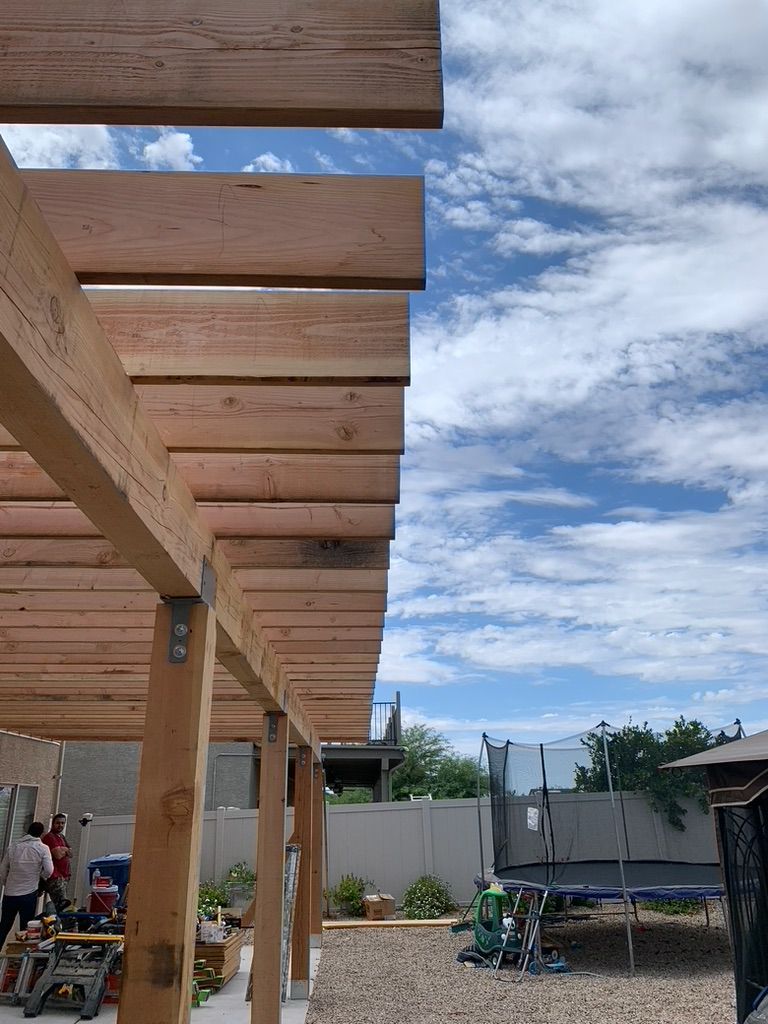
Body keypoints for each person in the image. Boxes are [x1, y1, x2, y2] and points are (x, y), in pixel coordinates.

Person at [0, 822, 53, 950]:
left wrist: (6, 883)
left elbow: (2, 869)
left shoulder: (14, 846)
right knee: (26, 928)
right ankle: (21, 958)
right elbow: (49, 871)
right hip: (29, 893)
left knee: (4, 926)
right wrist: (39, 875)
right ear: (41, 833)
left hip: (10, 893)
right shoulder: (42, 848)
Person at [41, 813, 72, 913]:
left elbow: (71, 853)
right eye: (57, 823)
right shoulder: (50, 837)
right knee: (62, 908)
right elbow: (57, 855)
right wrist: (64, 850)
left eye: (63, 823)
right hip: (56, 878)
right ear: (53, 824)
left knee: (63, 906)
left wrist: (64, 849)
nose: (60, 825)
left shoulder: (62, 837)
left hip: (64, 877)